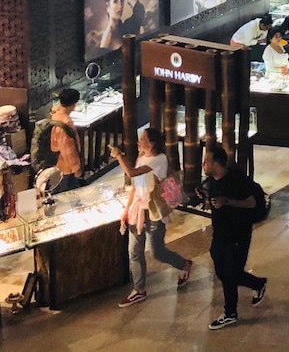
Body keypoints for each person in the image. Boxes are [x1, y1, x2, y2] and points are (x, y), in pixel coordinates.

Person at [112, 128, 192, 307]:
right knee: (134, 250)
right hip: (138, 210)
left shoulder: (159, 159)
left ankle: (184, 264)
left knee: (157, 251)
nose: (138, 143)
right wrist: (126, 210)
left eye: (142, 139)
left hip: (154, 210)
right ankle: (139, 290)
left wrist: (119, 155)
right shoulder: (141, 157)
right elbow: (135, 186)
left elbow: (132, 173)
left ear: (152, 142)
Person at [201, 144, 267, 330]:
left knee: (230, 274)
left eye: (206, 161)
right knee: (223, 272)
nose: (203, 164)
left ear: (216, 163)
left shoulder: (236, 181)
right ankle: (258, 284)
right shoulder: (213, 181)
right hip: (219, 234)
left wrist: (227, 201)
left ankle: (230, 313)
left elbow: (251, 202)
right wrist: (207, 199)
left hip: (237, 235)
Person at [33, 88, 83, 192]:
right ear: (74, 104)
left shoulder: (55, 115)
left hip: (56, 163)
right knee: (67, 194)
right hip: (65, 167)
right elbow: (67, 149)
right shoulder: (65, 123)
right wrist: (76, 168)